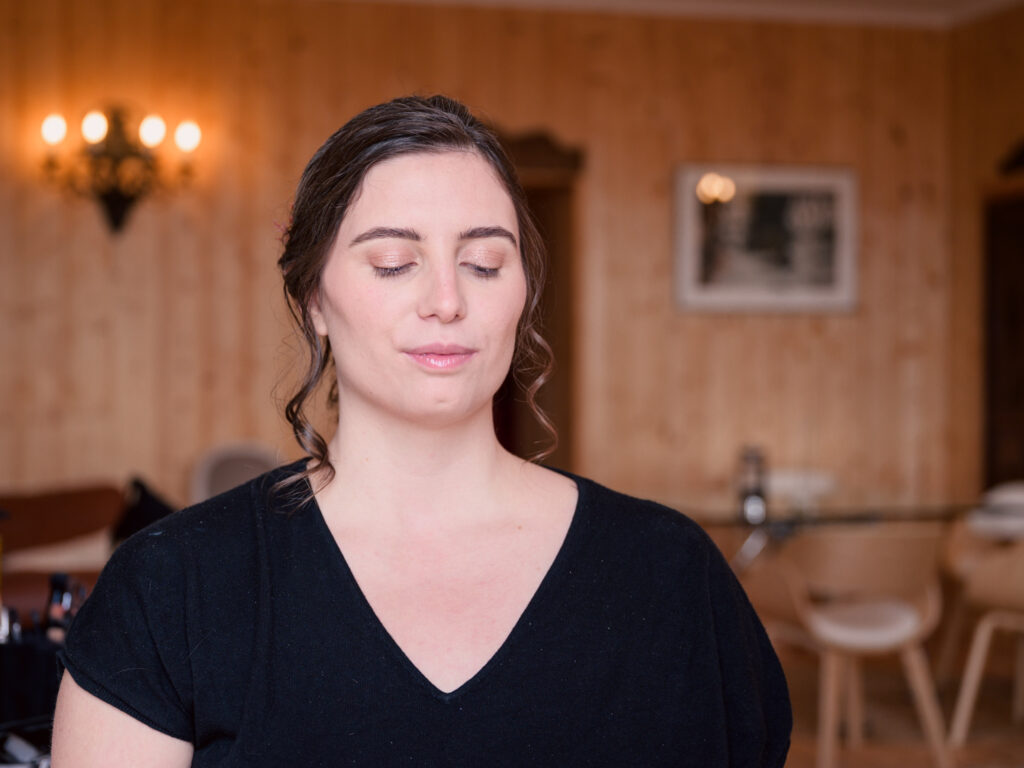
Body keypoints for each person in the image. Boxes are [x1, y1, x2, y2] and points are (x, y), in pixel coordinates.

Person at [52, 95, 791, 767]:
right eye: (394, 262)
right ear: (314, 300)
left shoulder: (672, 575)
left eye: (483, 263)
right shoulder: (171, 587)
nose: (447, 299)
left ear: (523, 293)